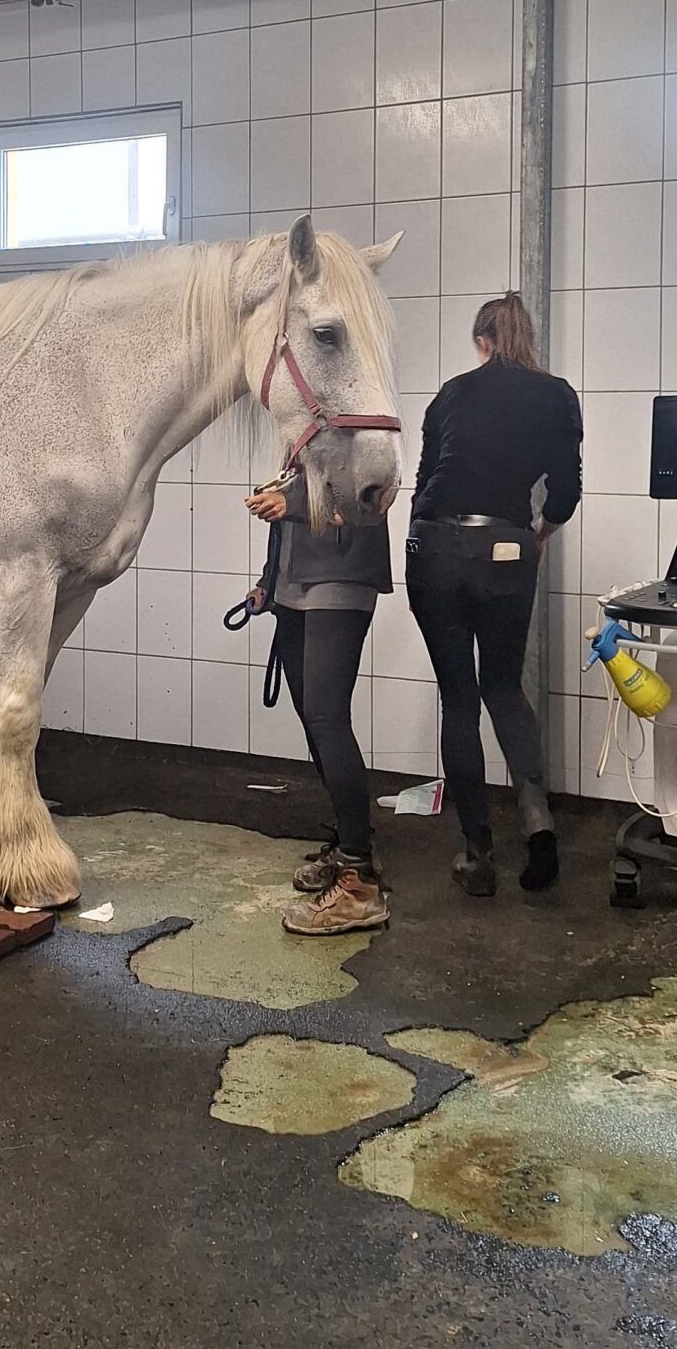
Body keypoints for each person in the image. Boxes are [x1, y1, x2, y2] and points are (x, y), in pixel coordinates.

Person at [405, 291, 582, 899]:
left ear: (481, 341)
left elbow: (428, 479)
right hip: (506, 548)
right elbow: (564, 491)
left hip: (433, 549)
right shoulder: (556, 394)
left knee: (458, 695)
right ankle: (538, 827)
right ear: (523, 338)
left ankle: (478, 856)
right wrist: (539, 534)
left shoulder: (450, 394)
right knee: (502, 686)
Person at [242, 476, 392, 937]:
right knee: (312, 717)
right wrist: (269, 581)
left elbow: (367, 499)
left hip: (339, 579)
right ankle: (350, 844)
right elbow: (286, 522)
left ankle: (360, 884)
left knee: (327, 717)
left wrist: (289, 502)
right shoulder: (301, 438)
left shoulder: (355, 424)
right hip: (293, 586)